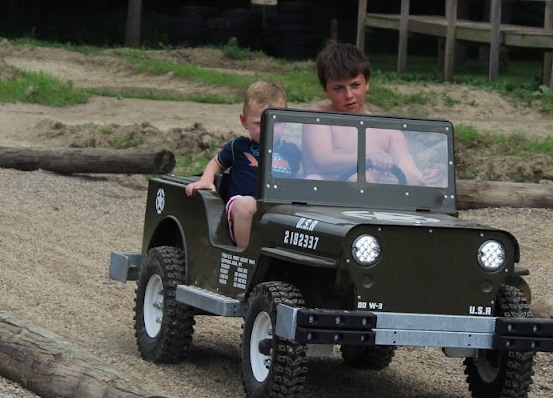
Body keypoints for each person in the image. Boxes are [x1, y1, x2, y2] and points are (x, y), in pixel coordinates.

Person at [302, 41, 442, 185]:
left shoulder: (387, 129)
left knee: (365, 180)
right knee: (319, 178)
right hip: (321, 198)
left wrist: (426, 178)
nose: (349, 95)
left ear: (367, 82)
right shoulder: (319, 116)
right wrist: (368, 159)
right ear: (326, 90)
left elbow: (408, 170)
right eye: (338, 88)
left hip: (368, 201)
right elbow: (323, 162)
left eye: (355, 85)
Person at [185, 80, 287, 247]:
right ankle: (246, 255)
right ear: (244, 121)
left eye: (278, 122)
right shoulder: (239, 146)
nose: (270, 128)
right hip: (240, 206)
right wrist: (206, 180)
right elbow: (216, 162)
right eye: (260, 123)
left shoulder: (292, 151)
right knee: (246, 205)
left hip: (277, 207)